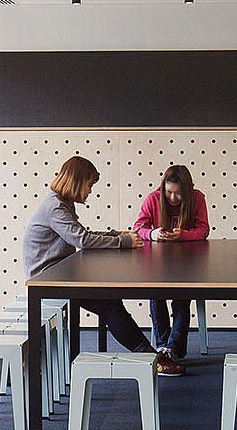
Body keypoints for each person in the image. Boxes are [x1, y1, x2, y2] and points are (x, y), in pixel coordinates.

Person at [24, 156, 184, 377]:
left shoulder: (61, 202)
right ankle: (151, 359)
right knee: (109, 304)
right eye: (89, 185)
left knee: (110, 302)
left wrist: (115, 234)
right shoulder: (55, 207)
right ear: (77, 181)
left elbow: (81, 234)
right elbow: (82, 239)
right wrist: (121, 241)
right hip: (48, 279)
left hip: (61, 272)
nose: (90, 190)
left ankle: (150, 356)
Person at [134, 165, 210, 360]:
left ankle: (174, 348)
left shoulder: (198, 198)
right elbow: (138, 228)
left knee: (181, 298)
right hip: (157, 263)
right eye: (169, 192)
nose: (173, 198)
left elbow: (203, 230)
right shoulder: (153, 199)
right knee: (155, 295)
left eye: (178, 193)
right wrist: (153, 233)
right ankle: (163, 346)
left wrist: (182, 235)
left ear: (188, 190)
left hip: (188, 262)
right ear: (163, 188)